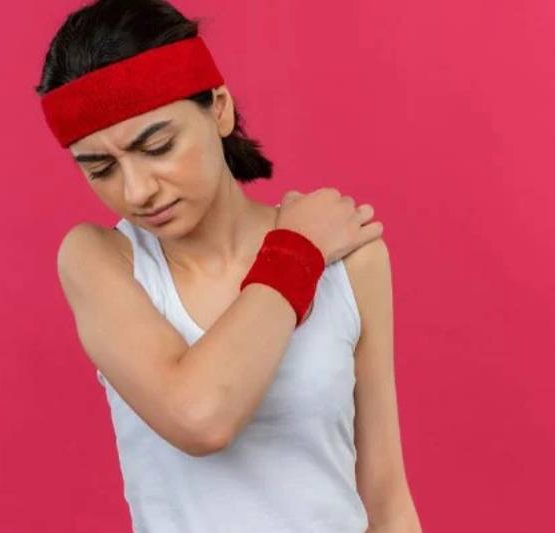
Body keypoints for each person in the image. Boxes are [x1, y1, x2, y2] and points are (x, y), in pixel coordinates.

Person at [36, 1, 422, 531]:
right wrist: (297, 250)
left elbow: (386, 496)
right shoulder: (103, 260)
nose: (137, 190)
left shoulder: (352, 261)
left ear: (219, 108)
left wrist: (307, 248)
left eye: (157, 146)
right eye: (101, 169)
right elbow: (200, 417)